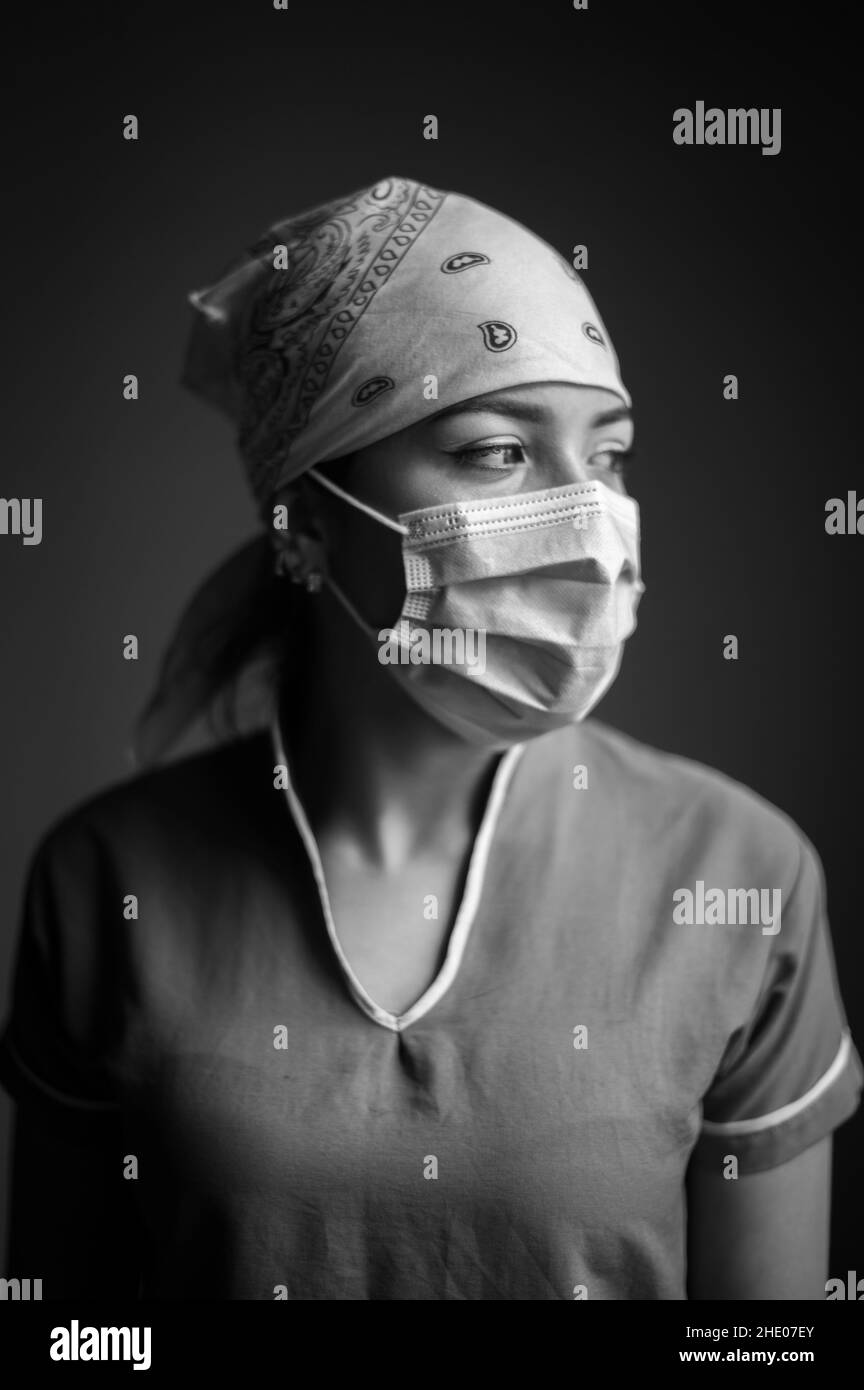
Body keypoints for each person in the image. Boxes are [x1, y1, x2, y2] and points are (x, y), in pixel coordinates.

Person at [1, 175, 860, 1301]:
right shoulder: (107, 881)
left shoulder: (743, 876)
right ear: (307, 523)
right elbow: (71, 1335)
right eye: (499, 451)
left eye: (606, 456)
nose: (589, 520)